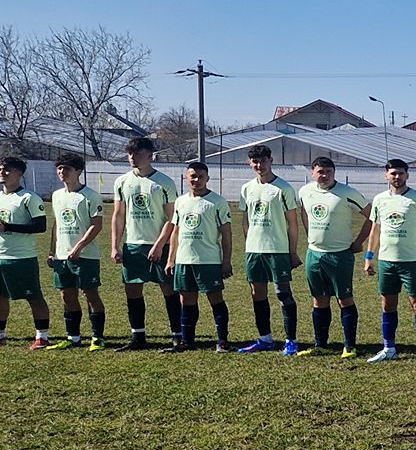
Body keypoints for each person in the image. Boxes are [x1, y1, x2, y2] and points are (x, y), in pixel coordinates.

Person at [365, 158, 416, 363]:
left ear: (407, 175)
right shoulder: (380, 199)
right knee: (387, 304)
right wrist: (369, 256)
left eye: (400, 173)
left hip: (411, 261)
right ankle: (389, 348)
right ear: (386, 176)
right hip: (386, 261)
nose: (397, 177)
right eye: (393, 173)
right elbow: (375, 229)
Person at [0, 156, 52, 349]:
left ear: (19, 174)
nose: (2, 173)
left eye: (7, 170)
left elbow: (39, 226)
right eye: (0, 169)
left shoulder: (29, 197)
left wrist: (7, 226)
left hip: (21, 257)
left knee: (33, 296)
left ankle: (42, 337)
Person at [298, 154, 372, 357]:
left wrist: (358, 242)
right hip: (314, 254)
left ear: (334, 173)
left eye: (329, 172)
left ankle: (349, 346)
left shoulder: (347, 193)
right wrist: (310, 236)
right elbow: (304, 213)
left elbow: (372, 216)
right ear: (312, 172)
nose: (324, 175)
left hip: (339, 255)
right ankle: (320, 344)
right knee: (319, 299)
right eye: (320, 172)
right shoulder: (305, 192)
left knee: (344, 299)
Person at [108, 136, 177, 349]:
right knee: (133, 290)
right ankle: (138, 336)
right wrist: (115, 246)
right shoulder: (122, 182)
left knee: (168, 289)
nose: (132, 158)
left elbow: (171, 219)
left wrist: (159, 244)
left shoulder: (164, 183)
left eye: (137, 154)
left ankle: (177, 334)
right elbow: (118, 215)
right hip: (133, 245)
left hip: (160, 245)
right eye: (130, 154)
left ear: (150, 155)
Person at [236, 143, 304, 354]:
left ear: (271, 161)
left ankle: (290, 340)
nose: (259, 165)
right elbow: (245, 220)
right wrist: (250, 244)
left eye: (263, 160)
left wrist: (292, 252)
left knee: (283, 293)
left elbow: (292, 223)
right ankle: (265, 339)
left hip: (278, 249)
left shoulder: (283, 188)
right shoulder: (247, 188)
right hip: (254, 251)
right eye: (255, 161)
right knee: (257, 293)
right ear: (250, 163)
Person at [161, 160, 232, 353]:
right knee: (186, 300)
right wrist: (171, 259)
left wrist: (226, 261)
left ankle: (222, 341)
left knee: (215, 298)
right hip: (184, 260)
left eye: (201, 176)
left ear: (207, 178)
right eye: (193, 176)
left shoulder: (217, 202)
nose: (197, 180)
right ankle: (187, 341)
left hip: (208, 260)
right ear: (186, 178)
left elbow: (226, 233)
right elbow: (175, 232)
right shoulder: (181, 202)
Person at [48, 153, 106, 350]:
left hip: (85, 256)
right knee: (66, 295)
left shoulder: (90, 195)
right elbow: (56, 224)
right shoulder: (56, 196)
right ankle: (73, 337)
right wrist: (51, 252)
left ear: (78, 171)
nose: (62, 172)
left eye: (67, 169)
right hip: (61, 256)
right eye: (59, 168)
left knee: (90, 294)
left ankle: (97, 338)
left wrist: (79, 247)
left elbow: (96, 225)